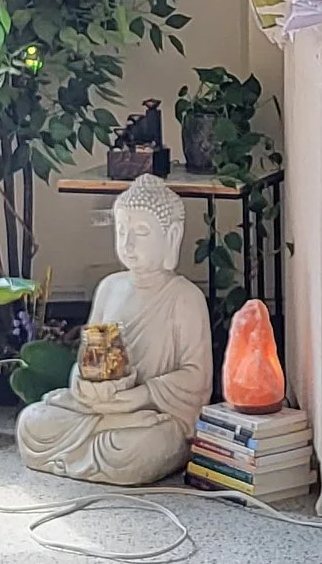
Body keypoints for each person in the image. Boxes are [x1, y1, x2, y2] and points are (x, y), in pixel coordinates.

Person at [15, 175, 212, 487]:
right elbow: (88, 358)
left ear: (171, 236)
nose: (129, 244)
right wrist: (85, 384)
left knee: (136, 448)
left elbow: (197, 377)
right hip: (98, 410)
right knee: (32, 423)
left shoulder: (185, 297)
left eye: (142, 233)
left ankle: (84, 455)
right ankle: (92, 452)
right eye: (122, 232)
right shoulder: (109, 287)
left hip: (150, 415)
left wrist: (142, 395)